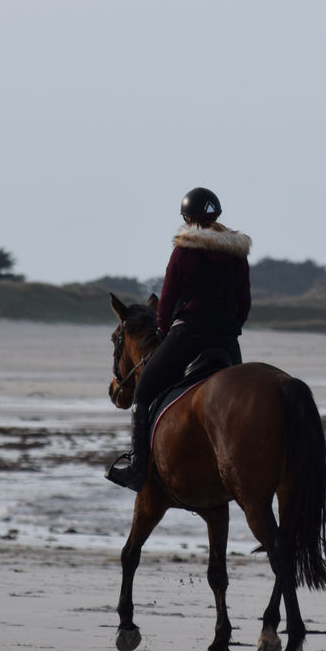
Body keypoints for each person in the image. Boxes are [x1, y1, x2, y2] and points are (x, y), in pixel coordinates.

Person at [105, 187, 251, 491]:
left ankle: (137, 469)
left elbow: (168, 298)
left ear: (187, 218)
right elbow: (245, 301)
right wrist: (231, 326)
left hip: (189, 333)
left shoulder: (184, 250)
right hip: (226, 339)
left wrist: (162, 330)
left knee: (143, 395)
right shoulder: (237, 253)